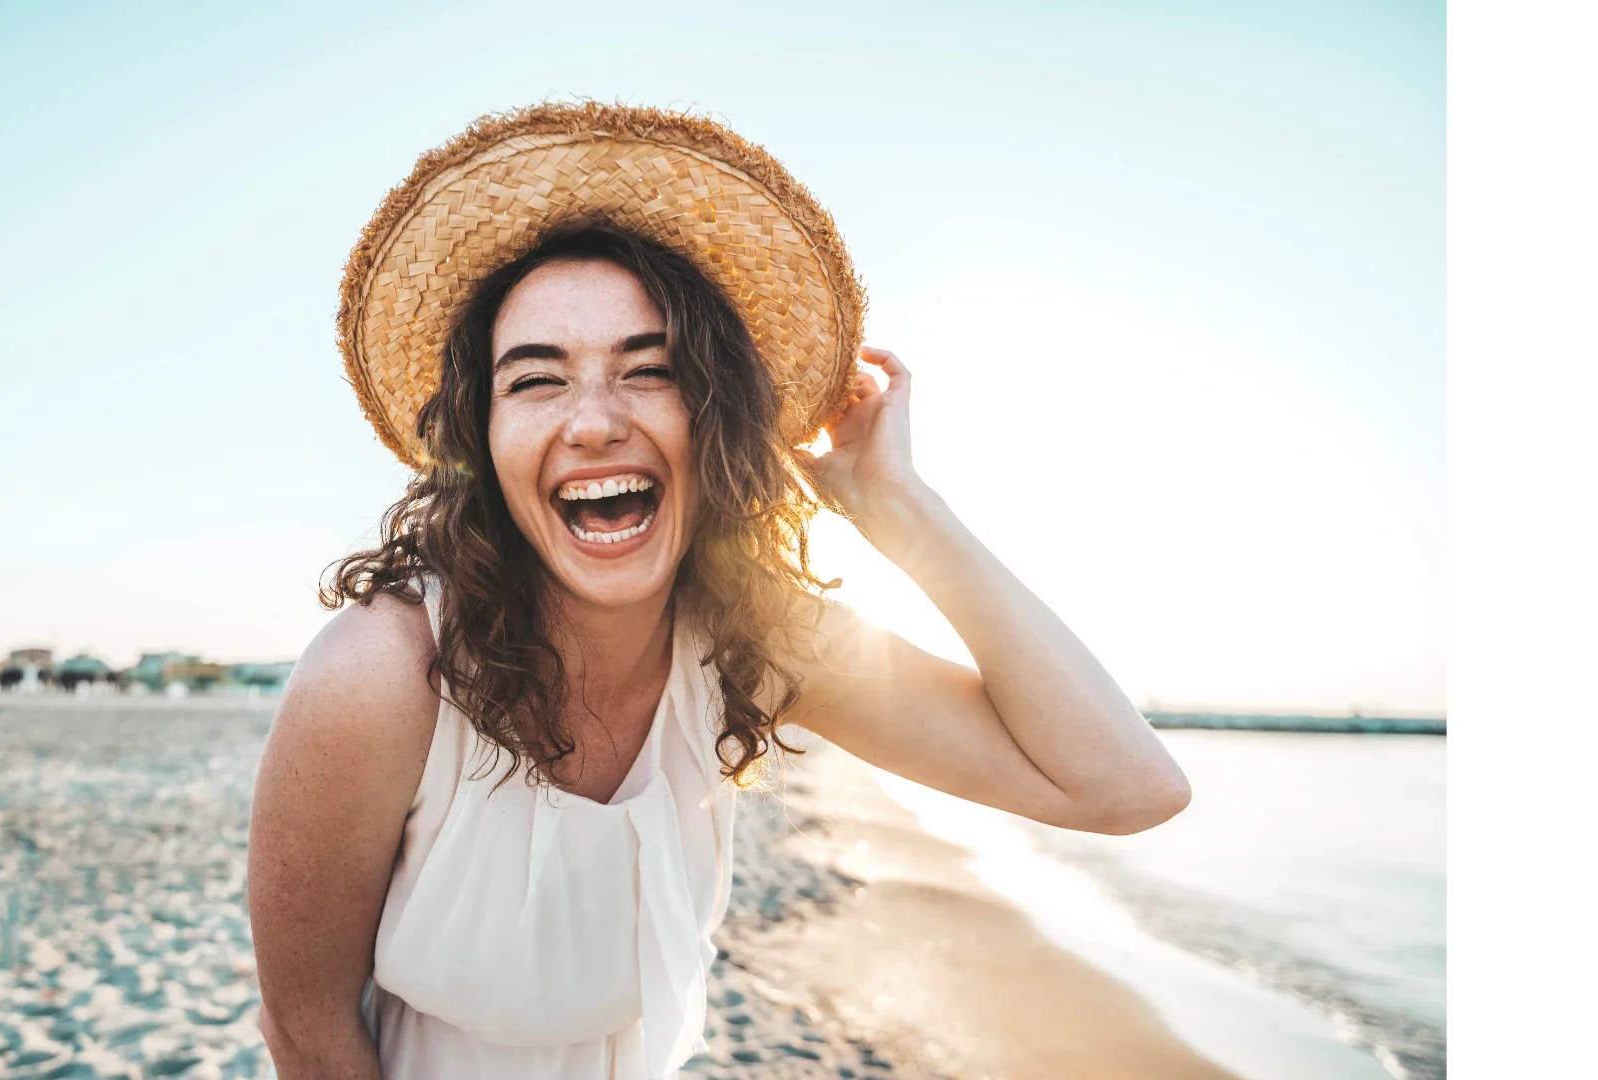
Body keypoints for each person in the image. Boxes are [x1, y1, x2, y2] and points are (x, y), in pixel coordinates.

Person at [247, 102, 1191, 1080]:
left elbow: (1126, 788)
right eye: (536, 381)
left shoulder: (755, 640)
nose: (596, 422)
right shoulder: (380, 678)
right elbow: (308, 1033)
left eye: (649, 371)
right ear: (482, 444)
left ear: (714, 418)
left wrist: (898, 507)